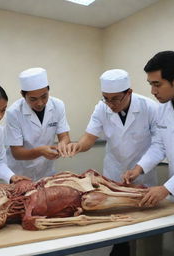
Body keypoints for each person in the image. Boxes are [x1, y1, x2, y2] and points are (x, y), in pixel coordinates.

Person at [66, 69, 158, 256]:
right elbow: (89, 138)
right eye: (106, 98)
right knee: (117, 228)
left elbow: (159, 145)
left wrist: (138, 169)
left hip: (143, 175)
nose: (111, 104)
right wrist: (77, 146)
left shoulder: (149, 107)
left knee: (146, 229)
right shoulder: (102, 108)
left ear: (129, 92)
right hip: (114, 174)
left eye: (116, 99)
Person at [122, 51, 174, 255]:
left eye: (157, 84)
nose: (152, 91)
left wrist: (166, 188)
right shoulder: (162, 109)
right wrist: (138, 169)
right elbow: (159, 146)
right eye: (150, 84)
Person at [4, 67, 70, 180]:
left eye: (44, 96)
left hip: (46, 171)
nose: (40, 103)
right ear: (23, 95)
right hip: (20, 173)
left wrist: (63, 145)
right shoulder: (14, 113)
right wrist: (40, 151)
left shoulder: (58, 105)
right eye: (33, 99)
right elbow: (17, 153)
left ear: (48, 90)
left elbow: (64, 136)